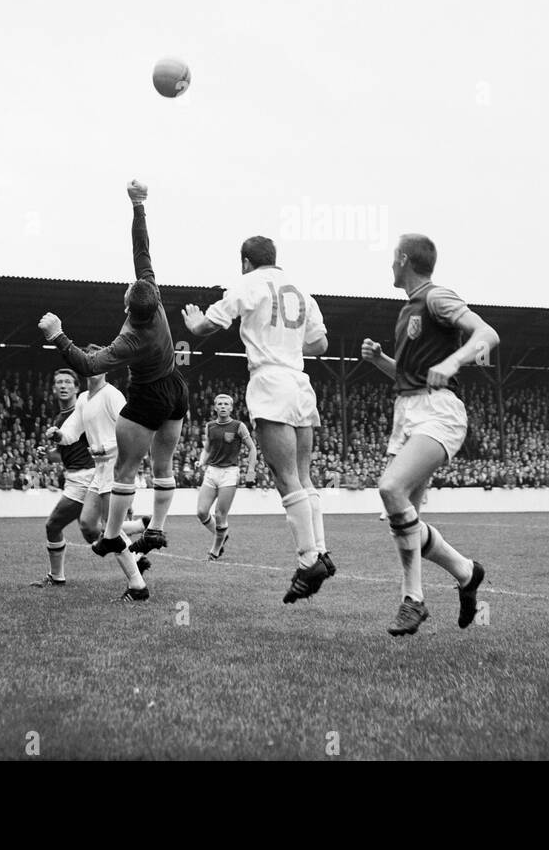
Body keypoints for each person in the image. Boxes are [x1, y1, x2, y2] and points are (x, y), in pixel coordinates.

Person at [39, 180, 189, 603]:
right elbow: (143, 251)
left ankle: (111, 537)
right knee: (163, 466)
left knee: (126, 470)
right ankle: (154, 526)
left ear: (127, 305)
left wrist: (58, 335)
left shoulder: (129, 342)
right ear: (153, 298)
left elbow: (88, 365)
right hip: (178, 388)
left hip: (149, 394)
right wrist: (139, 207)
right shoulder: (155, 302)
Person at [183, 235, 334, 602]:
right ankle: (322, 553)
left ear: (246, 262)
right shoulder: (301, 291)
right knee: (303, 476)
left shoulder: (248, 283)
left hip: (270, 382)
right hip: (300, 383)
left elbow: (208, 326)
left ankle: (308, 559)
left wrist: (193, 322)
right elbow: (321, 345)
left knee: (286, 479)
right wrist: (288, 343)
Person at [360, 233, 496, 637]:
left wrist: (454, 362)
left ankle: (413, 600)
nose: (390, 265)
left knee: (391, 488)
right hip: (408, 412)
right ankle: (466, 572)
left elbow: (486, 334)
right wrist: (381, 360)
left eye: (392, 258)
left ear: (403, 259)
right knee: (404, 520)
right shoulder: (407, 312)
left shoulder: (437, 297)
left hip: (438, 412)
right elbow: (409, 376)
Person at [31, 366, 149, 587]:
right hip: (88, 473)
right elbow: (67, 446)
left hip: (94, 472)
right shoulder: (73, 410)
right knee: (91, 529)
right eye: (59, 382)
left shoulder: (102, 400)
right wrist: (52, 446)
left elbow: (125, 427)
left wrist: (115, 455)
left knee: (57, 525)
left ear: (76, 386)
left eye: (68, 382)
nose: (63, 386)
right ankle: (137, 538)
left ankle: (136, 581)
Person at [191, 394, 257, 560]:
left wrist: (251, 472)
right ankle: (221, 535)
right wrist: (201, 461)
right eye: (219, 404)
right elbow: (207, 448)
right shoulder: (210, 426)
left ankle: (214, 551)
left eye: (226, 404)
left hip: (229, 473)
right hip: (212, 471)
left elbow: (253, 449)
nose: (222, 406)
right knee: (201, 512)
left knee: (220, 515)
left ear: (231, 408)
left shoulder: (238, 426)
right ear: (215, 407)